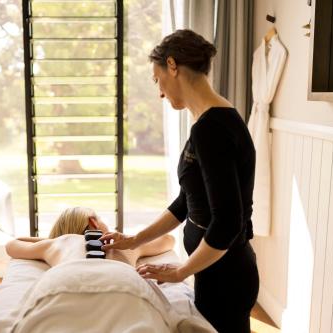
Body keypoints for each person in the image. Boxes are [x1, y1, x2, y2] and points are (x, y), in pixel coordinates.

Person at [100, 29, 259, 333]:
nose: (159, 91)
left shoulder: (212, 128)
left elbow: (227, 222)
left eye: (157, 79)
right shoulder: (210, 121)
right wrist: (133, 240)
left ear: (172, 66)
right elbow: (187, 201)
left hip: (226, 276)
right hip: (217, 272)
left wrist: (181, 271)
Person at [5, 207, 175, 268]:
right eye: (99, 217)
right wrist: (130, 239)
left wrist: (52, 239)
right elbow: (169, 240)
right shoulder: (127, 246)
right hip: (122, 283)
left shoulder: (56, 245)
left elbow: (13, 244)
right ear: (93, 222)